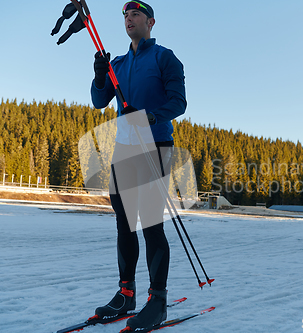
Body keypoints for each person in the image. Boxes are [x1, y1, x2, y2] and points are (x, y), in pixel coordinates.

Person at [90, 1, 186, 331]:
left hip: (156, 145)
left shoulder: (165, 57)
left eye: (135, 15)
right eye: (126, 16)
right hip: (123, 150)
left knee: (150, 225)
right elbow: (99, 100)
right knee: (124, 224)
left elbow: (179, 102)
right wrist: (100, 76)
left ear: (151, 22)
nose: (129, 19)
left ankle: (157, 300)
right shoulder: (117, 62)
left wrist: (153, 115)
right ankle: (126, 294)